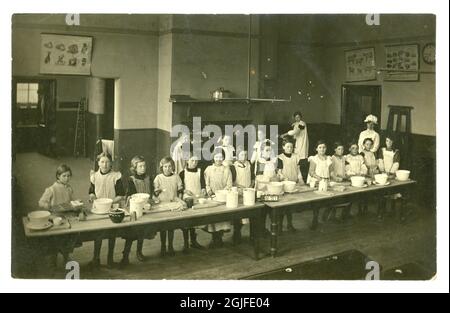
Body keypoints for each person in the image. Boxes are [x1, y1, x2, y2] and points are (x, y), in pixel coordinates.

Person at [89, 152, 125, 268]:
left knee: (111, 234)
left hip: (112, 208)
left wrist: (111, 202)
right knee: (98, 234)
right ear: (98, 163)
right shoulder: (94, 176)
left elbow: (121, 194)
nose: (105, 165)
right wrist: (92, 197)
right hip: (98, 209)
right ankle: (96, 258)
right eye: (102, 162)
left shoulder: (116, 176)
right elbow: (91, 191)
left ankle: (110, 259)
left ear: (111, 164)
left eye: (107, 162)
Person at [120, 156, 156, 267]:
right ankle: (125, 255)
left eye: (144, 165)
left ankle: (139, 251)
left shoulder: (149, 178)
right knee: (131, 234)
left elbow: (152, 192)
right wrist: (133, 198)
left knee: (142, 231)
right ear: (134, 168)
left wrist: (154, 196)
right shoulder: (131, 179)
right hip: (135, 208)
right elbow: (129, 194)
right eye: (140, 166)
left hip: (147, 207)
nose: (143, 168)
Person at [38, 164, 76, 265]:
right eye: (64, 176)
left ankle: (66, 256)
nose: (67, 178)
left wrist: (75, 204)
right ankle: (53, 259)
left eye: (68, 176)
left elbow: (71, 201)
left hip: (67, 215)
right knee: (55, 239)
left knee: (67, 238)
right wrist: (49, 206)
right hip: (55, 216)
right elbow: (41, 202)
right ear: (58, 176)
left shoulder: (69, 188)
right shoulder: (51, 189)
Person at [154, 157, 184, 256]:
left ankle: (170, 245)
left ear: (173, 167)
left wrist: (179, 199)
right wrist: (157, 193)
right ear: (162, 167)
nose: (167, 168)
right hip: (162, 204)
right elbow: (155, 193)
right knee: (163, 226)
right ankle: (163, 246)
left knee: (171, 226)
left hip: (173, 204)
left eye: (169, 166)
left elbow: (180, 191)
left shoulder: (176, 177)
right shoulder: (158, 178)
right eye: (165, 166)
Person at [204, 148, 233, 248]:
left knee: (222, 218)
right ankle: (214, 237)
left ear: (223, 158)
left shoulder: (226, 169)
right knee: (213, 219)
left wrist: (221, 193)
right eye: (216, 157)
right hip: (212, 197)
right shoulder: (208, 169)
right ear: (213, 157)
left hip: (223, 197)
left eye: (221, 157)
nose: (218, 159)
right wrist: (209, 191)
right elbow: (207, 183)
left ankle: (219, 237)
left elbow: (229, 184)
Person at [179, 154, 206, 252]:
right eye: (192, 161)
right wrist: (184, 191)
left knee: (194, 221)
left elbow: (203, 183)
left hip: (198, 197)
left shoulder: (200, 171)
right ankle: (186, 243)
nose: (194, 163)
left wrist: (203, 189)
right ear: (187, 161)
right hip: (188, 199)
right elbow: (180, 187)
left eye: (196, 161)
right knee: (187, 221)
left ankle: (193, 241)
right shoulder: (182, 173)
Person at [277, 138, 305, 232]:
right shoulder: (280, 157)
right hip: (284, 184)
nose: (290, 148)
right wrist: (284, 178)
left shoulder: (296, 156)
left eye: (291, 147)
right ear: (283, 147)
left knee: (290, 206)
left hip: (294, 184)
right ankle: (280, 227)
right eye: (288, 146)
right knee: (283, 207)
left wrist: (300, 179)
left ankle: (290, 224)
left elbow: (298, 170)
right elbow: (279, 172)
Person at [281, 111, 309, 181]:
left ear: (301, 117)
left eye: (298, 117)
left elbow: (296, 132)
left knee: (301, 158)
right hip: (297, 142)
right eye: (296, 117)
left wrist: (285, 134)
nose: (297, 118)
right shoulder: (296, 124)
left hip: (302, 142)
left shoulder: (302, 124)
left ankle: (302, 178)